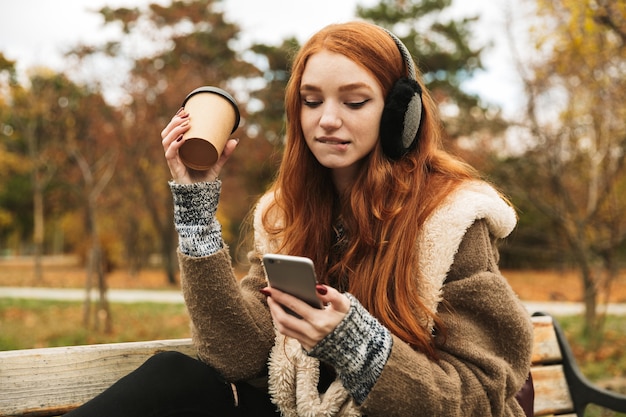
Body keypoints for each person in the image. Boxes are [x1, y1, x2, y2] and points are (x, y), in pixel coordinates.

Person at [65, 21, 533, 417]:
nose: (327, 120)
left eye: (353, 102)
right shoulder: (286, 212)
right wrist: (195, 204)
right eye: (312, 101)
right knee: (175, 376)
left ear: (400, 114)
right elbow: (235, 354)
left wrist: (355, 347)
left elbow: (482, 394)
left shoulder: (451, 219)